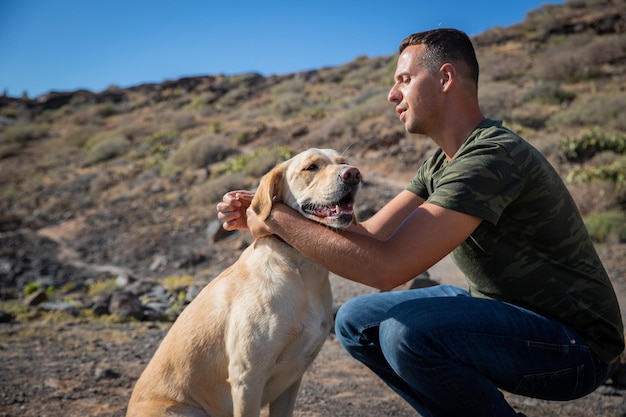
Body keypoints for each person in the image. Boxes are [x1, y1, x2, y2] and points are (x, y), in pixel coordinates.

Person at [216, 28, 624, 417]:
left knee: (407, 334)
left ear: (445, 78)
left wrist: (272, 217)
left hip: (575, 346)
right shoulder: (442, 162)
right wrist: (275, 204)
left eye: (405, 79)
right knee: (356, 321)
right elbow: (372, 235)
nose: (393, 94)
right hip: (504, 313)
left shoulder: (491, 157)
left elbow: (385, 269)